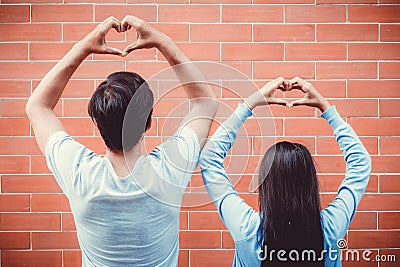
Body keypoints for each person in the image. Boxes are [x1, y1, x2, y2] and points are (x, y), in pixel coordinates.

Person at [25, 16, 218, 266]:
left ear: (97, 125)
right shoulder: (169, 168)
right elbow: (206, 101)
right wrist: (162, 41)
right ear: (148, 122)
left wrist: (83, 47)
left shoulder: (79, 172)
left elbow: (37, 106)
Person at [199, 77, 371, 267]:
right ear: (310, 182)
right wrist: (326, 108)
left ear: (266, 184)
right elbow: (360, 163)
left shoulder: (247, 229)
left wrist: (250, 104)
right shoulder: (330, 228)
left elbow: (209, 157)